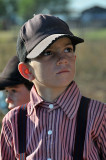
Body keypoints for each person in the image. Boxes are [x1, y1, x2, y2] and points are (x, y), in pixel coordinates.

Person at [0, 14, 105, 160]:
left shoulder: (98, 115)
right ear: (27, 71)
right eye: (48, 52)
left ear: (74, 58)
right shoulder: (13, 121)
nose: (62, 59)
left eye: (68, 49)